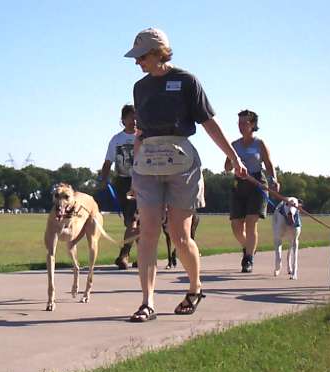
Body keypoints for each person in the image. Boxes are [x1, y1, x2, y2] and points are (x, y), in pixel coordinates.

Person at [124, 28, 247, 322]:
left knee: (180, 235)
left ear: (158, 53)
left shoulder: (187, 81)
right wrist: (134, 171)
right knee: (149, 233)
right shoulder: (139, 88)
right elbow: (140, 133)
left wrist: (233, 156)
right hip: (148, 166)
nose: (137, 62)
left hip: (182, 164)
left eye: (141, 56)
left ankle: (194, 288)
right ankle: (147, 302)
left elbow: (208, 123)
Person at [224, 110, 279, 273]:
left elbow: (269, 165)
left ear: (253, 125)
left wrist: (274, 180)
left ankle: (248, 259)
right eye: (239, 123)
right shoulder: (234, 144)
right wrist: (233, 162)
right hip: (238, 184)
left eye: (244, 123)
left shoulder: (259, 144)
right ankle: (248, 247)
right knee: (235, 225)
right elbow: (226, 167)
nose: (241, 126)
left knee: (250, 222)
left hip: (257, 184)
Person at [99, 104, 137, 269]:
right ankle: (144, 255)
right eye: (130, 117)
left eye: (136, 116)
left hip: (141, 182)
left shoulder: (143, 137)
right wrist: (103, 180)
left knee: (134, 220)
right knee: (130, 221)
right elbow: (108, 162)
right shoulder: (116, 139)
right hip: (122, 182)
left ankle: (124, 254)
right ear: (123, 120)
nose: (134, 120)